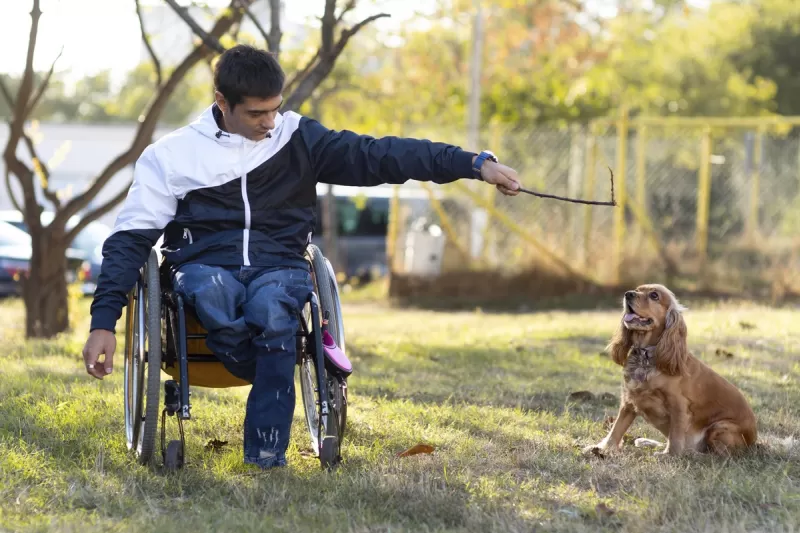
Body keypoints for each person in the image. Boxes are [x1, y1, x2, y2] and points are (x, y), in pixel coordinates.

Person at [81, 44, 521, 469]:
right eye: (256, 113)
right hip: (203, 265)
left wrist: (471, 163)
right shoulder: (172, 155)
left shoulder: (298, 138)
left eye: (275, 108)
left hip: (281, 264)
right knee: (211, 293)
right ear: (221, 101)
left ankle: (267, 456)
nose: (269, 122)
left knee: (274, 310)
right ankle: (255, 360)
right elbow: (129, 240)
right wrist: (104, 322)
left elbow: (383, 154)